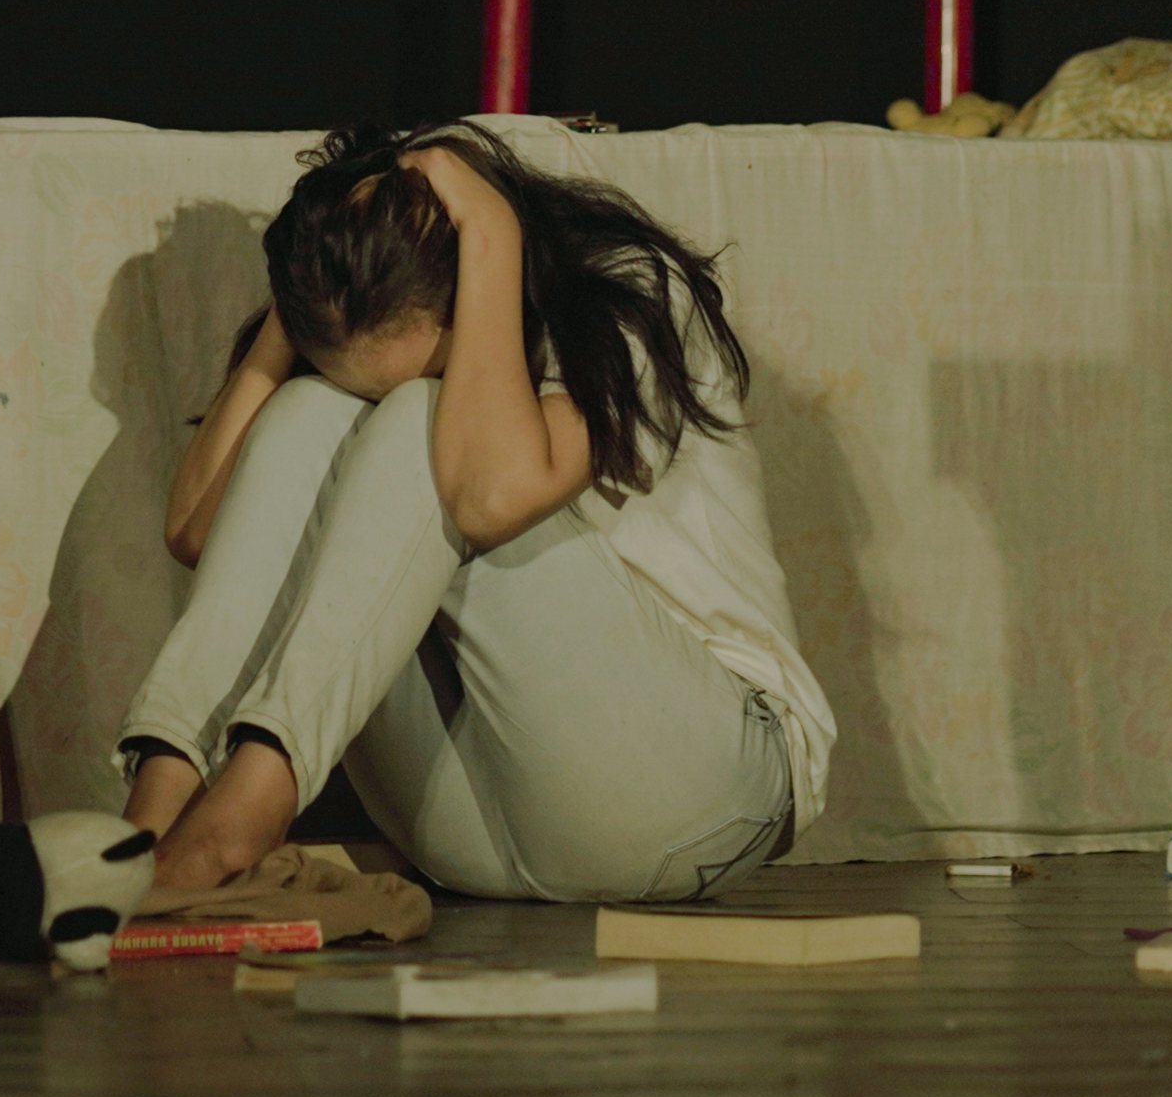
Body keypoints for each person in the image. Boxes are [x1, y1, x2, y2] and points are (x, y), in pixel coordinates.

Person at [116, 121, 833, 901]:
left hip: (699, 796)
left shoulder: (621, 292)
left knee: (421, 422)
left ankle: (247, 805)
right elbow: (198, 529)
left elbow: (488, 498)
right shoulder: (362, 308)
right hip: (471, 834)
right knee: (308, 413)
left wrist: (491, 232)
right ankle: (153, 818)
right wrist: (293, 319)